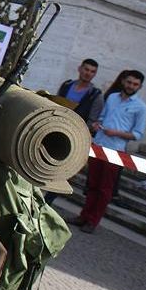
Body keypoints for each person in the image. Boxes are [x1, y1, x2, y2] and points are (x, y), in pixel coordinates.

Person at [70, 70, 146, 233]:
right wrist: (97, 124)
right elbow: (102, 117)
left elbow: (137, 134)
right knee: (91, 184)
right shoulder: (112, 97)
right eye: (129, 82)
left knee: (104, 189)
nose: (130, 86)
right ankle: (83, 216)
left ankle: (92, 221)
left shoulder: (141, 107)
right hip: (99, 145)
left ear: (139, 86)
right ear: (123, 82)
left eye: (135, 84)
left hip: (116, 151)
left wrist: (117, 133)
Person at [44, 58, 104, 203]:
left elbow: (92, 120)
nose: (88, 73)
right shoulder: (67, 85)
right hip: (55, 129)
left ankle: (47, 202)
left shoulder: (95, 95)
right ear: (80, 69)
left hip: (74, 136)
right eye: (86, 69)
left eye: (92, 71)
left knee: (63, 173)